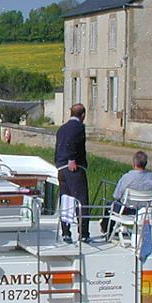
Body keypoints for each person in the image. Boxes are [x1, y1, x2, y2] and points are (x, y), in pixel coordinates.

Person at [102, 151, 152, 235]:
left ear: (134, 164)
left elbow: (116, 195)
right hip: (144, 211)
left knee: (109, 205)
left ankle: (107, 230)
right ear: (145, 163)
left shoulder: (127, 177)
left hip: (127, 209)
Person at [55, 103, 89, 242]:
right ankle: (84, 233)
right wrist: (72, 159)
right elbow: (72, 142)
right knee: (81, 200)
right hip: (73, 168)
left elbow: (59, 147)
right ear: (83, 115)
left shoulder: (62, 128)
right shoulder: (78, 127)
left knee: (66, 200)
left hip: (61, 168)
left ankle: (66, 232)